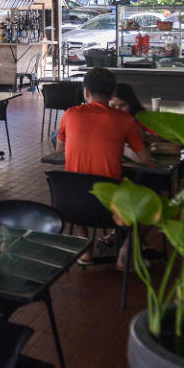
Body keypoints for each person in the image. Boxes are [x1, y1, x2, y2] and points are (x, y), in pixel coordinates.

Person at [57, 68, 153, 266]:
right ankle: (127, 250)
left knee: (75, 186)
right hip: (111, 209)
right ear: (112, 94)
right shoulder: (124, 119)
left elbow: (59, 149)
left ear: (86, 92)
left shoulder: (70, 114)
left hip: (71, 206)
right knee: (154, 204)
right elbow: (144, 159)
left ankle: (85, 249)